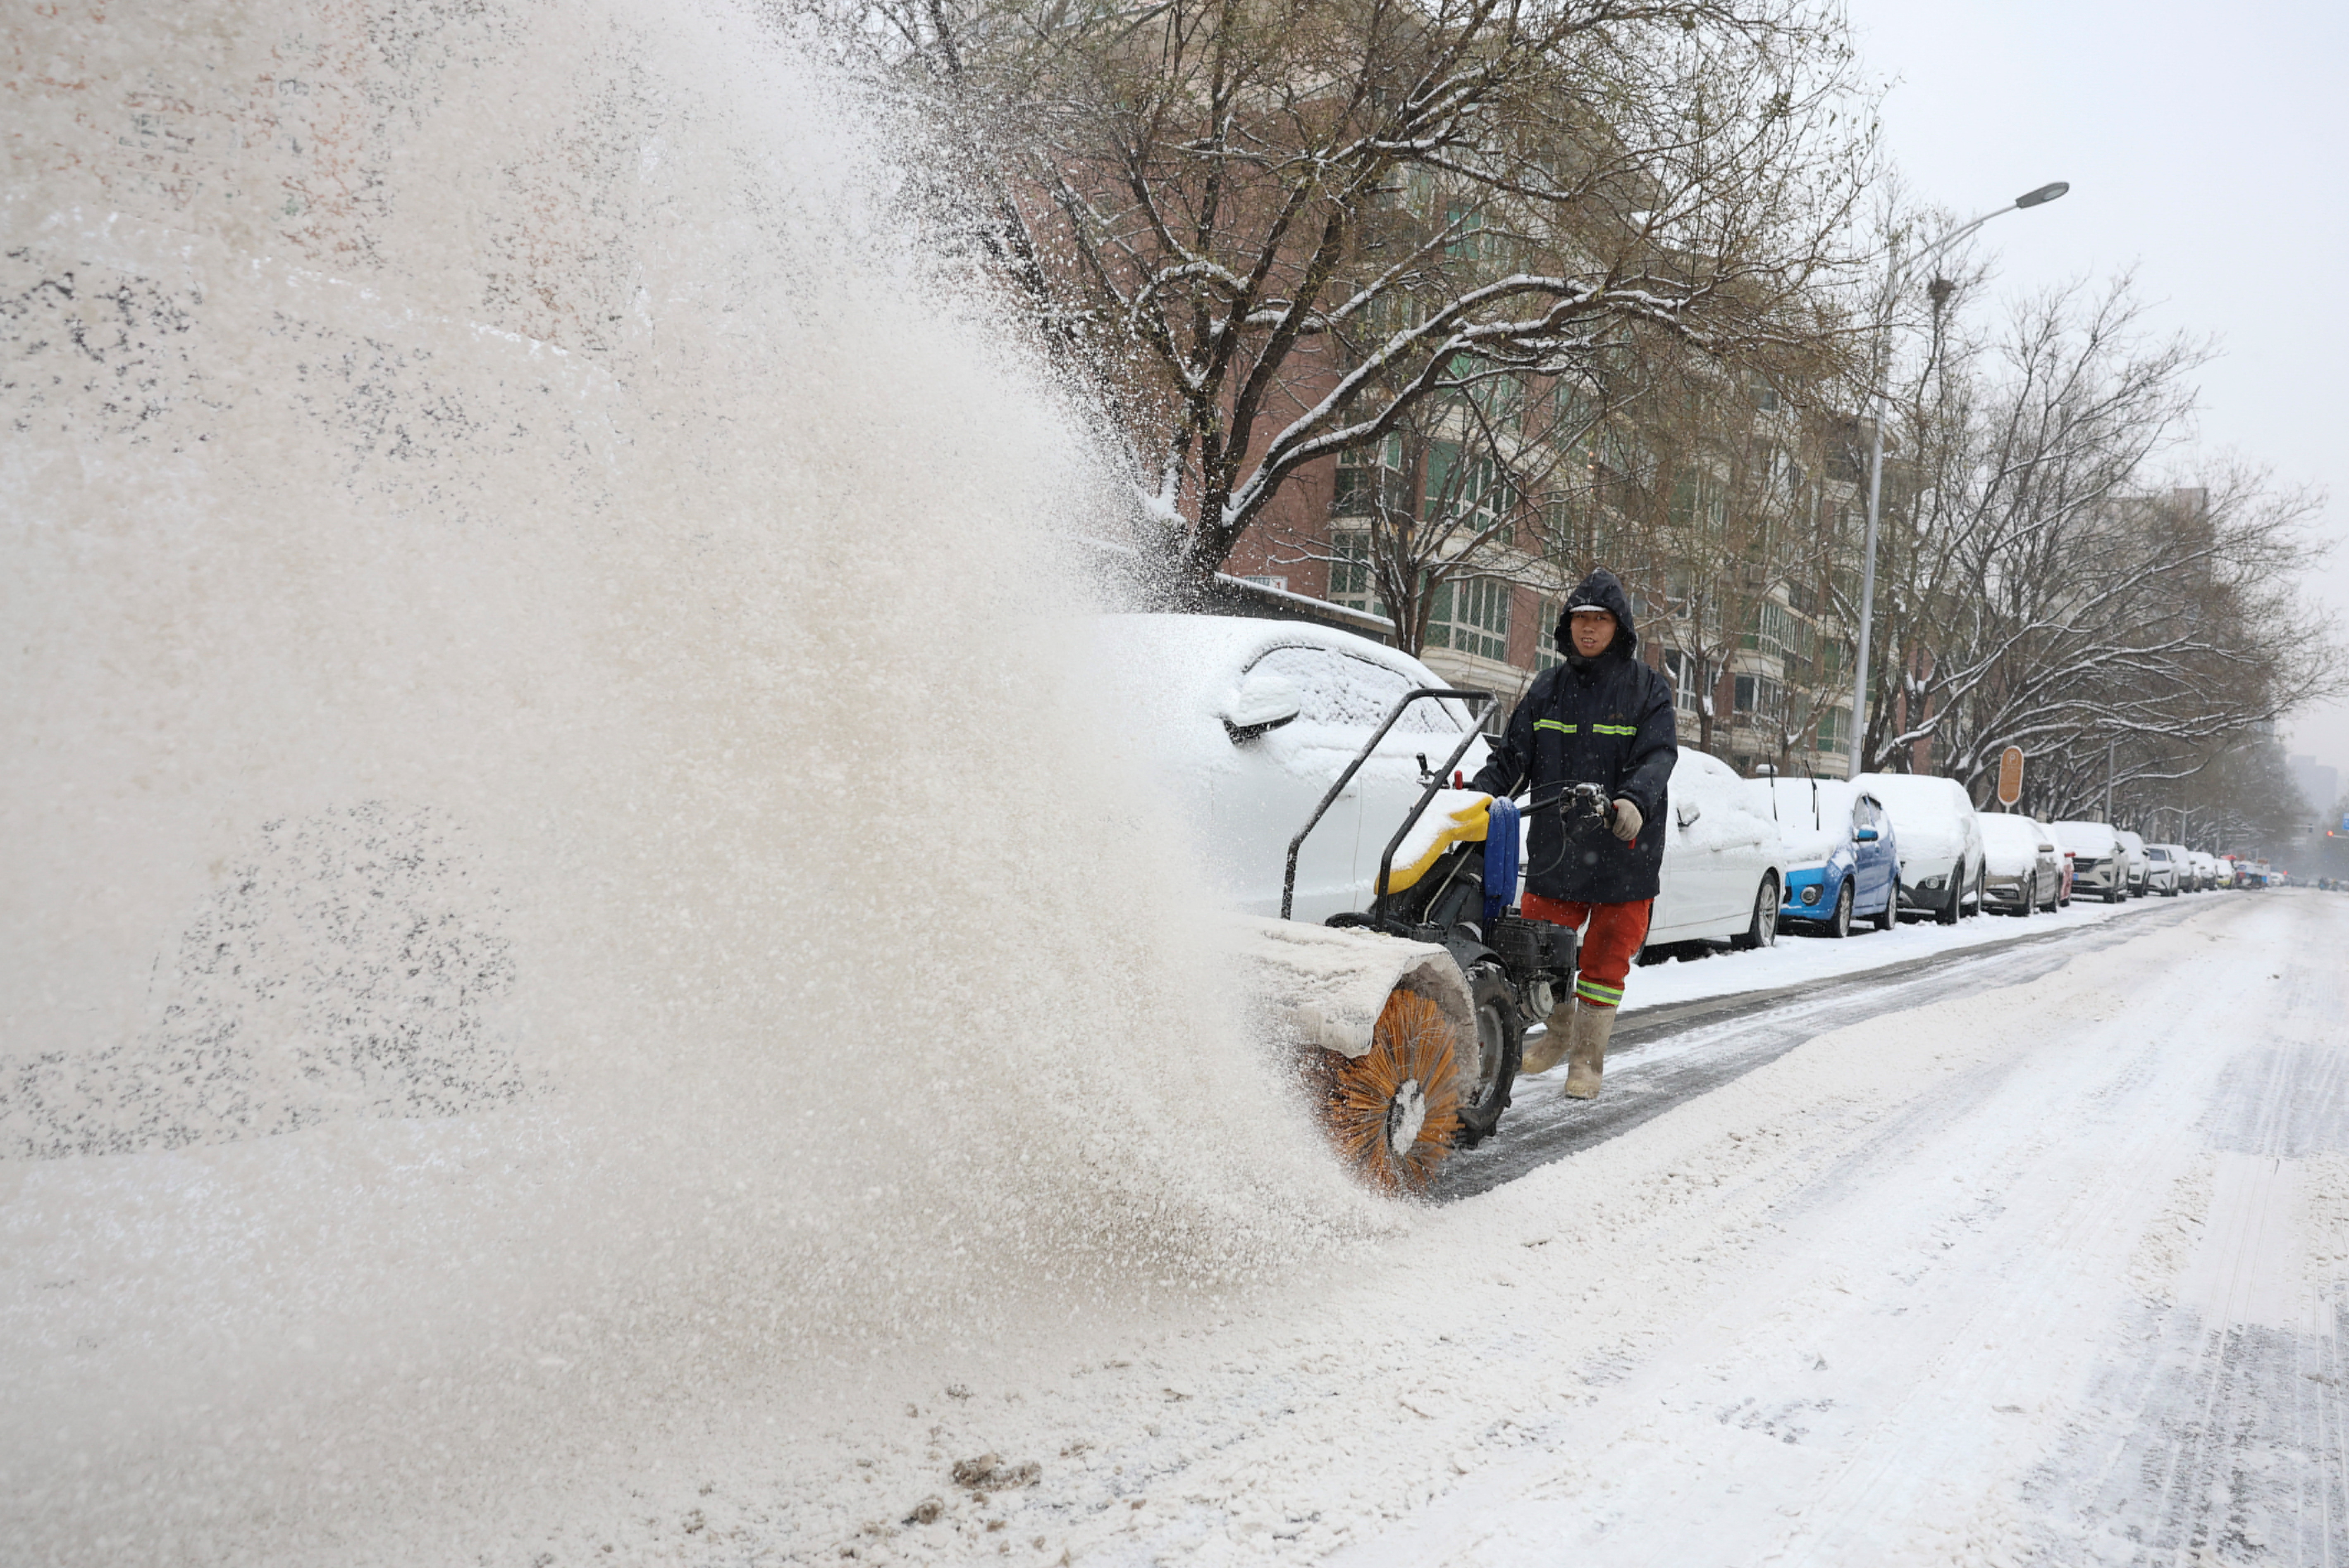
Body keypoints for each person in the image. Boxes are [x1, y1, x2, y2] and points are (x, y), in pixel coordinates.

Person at [1469, 567, 1676, 1099]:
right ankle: (1558, 1033)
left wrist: (1634, 800)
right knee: (1540, 950)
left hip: (1624, 848)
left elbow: (1657, 756)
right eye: (1580, 619)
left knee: (1605, 961)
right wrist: (1474, 797)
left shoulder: (1647, 689)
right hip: (1559, 848)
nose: (1589, 629)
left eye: (1599, 620)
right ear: (1567, 626)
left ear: (1618, 626)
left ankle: (1587, 1060)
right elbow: (1514, 758)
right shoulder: (1547, 689)